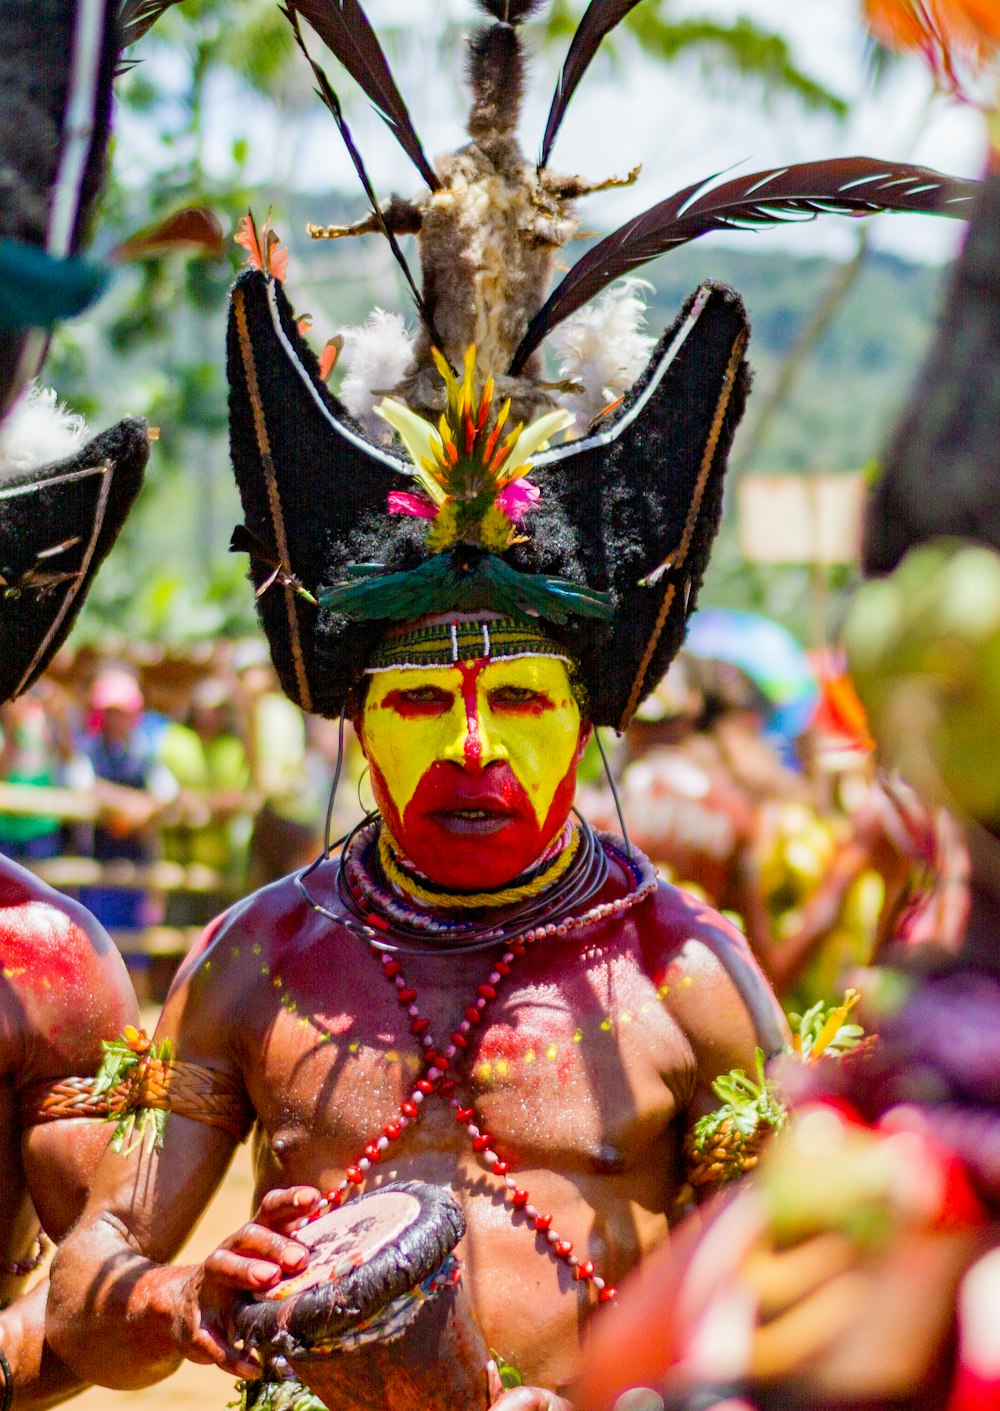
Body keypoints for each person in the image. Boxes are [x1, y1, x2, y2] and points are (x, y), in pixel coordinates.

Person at [46, 10, 786, 1394]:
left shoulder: (692, 976)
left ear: (587, 715)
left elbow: (798, 1317)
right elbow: (89, 1273)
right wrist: (181, 1297)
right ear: (351, 720)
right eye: (417, 704)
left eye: (515, 695)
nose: (467, 742)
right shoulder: (257, 956)